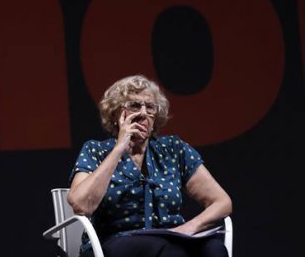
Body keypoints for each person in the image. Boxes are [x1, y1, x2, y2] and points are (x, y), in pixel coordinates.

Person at [67, 75, 232, 257]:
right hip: (116, 242)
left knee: (214, 249)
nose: (143, 113)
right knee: (169, 251)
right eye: (134, 106)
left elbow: (222, 202)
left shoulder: (173, 150)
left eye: (150, 107)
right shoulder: (96, 150)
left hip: (171, 239)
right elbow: (81, 204)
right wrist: (119, 148)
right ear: (115, 115)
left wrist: (187, 228)